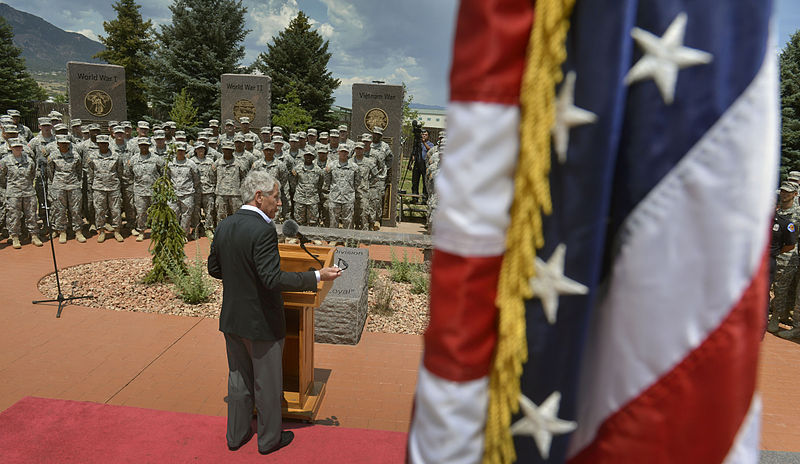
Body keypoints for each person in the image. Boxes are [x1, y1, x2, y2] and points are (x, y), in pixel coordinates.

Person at [207, 170, 341, 455]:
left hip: (232, 319)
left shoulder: (225, 224)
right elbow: (272, 279)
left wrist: (241, 279)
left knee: (239, 379)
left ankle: (236, 436)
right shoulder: (263, 230)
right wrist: (316, 276)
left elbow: (214, 269)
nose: (279, 203)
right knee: (266, 385)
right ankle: (269, 441)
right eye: (276, 197)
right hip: (262, 324)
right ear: (259, 197)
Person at [0, 138, 41, 248]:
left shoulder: (29, 161)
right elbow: (2, 178)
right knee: (13, 216)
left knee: (31, 214)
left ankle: (34, 235)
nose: (18, 148)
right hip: (13, 193)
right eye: (15, 147)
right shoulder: (5, 161)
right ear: (10, 148)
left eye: (19, 146)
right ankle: (15, 237)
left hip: (28, 192)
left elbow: (32, 175)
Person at [411, 129, 434, 200]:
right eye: (423, 134)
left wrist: (424, 143)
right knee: (415, 181)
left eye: (425, 135)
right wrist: (411, 162)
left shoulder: (430, 144)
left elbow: (430, 150)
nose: (424, 136)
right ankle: (415, 197)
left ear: (428, 136)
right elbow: (414, 153)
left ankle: (424, 198)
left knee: (425, 182)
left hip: (425, 164)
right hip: (417, 163)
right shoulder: (418, 144)